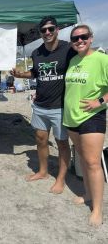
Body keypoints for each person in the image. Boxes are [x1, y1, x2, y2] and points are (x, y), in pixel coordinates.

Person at [11, 16, 76, 194]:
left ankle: (61, 178)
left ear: (57, 30)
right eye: (44, 30)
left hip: (60, 107)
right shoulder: (37, 52)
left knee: (62, 143)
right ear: (40, 33)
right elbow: (34, 73)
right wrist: (19, 74)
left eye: (50, 29)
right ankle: (43, 171)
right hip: (40, 106)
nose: (47, 32)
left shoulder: (69, 49)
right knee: (40, 140)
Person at [63, 25, 108, 226]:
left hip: (92, 117)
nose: (79, 40)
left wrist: (99, 102)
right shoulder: (73, 61)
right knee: (82, 159)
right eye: (75, 38)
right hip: (71, 118)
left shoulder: (101, 59)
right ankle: (88, 194)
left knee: (92, 162)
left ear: (91, 38)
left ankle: (97, 209)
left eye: (83, 37)